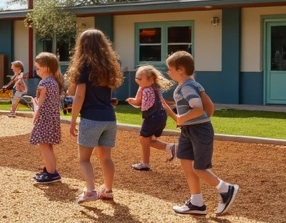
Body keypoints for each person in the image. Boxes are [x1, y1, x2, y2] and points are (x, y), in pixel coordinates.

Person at [165, 51, 240, 216]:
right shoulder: (194, 84)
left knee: (199, 168)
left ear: (181, 69)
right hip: (190, 130)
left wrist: (181, 118)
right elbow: (210, 108)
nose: (168, 72)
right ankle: (196, 203)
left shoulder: (187, 87)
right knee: (185, 161)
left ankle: (226, 189)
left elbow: (198, 108)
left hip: (198, 131)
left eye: (170, 69)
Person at [66, 30, 123, 203]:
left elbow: (79, 96)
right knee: (106, 157)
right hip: (109, 118)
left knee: (84, 159)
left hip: (91, 118)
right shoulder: (109, 66)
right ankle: (108, 190)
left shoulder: (84, 67)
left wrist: (73, 120)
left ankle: (90, 190)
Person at [127, 65, 177, 171]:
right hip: (161, 117)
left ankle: (145, 163)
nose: (137, 80)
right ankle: (171, 148)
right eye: (137, 78)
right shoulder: (155, 88)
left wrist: (133, 101)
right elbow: (161, 103)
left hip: (152, 117)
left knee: (144, 139)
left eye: (140, 78)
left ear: (151, 78)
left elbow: (138, 102)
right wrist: (174, 117)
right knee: (148, 140)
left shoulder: (144, 89)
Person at [29, 52, 63, 184]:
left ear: (46, 68)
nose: (36, 70)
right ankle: (50, 169)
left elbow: (40, 103)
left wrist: (35, 112)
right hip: (52, 118)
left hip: (45, 119)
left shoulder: (44, 83)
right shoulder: (54, 82)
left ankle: (51, 172)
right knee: (47, 145)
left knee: (43, 145)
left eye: (38, 68)